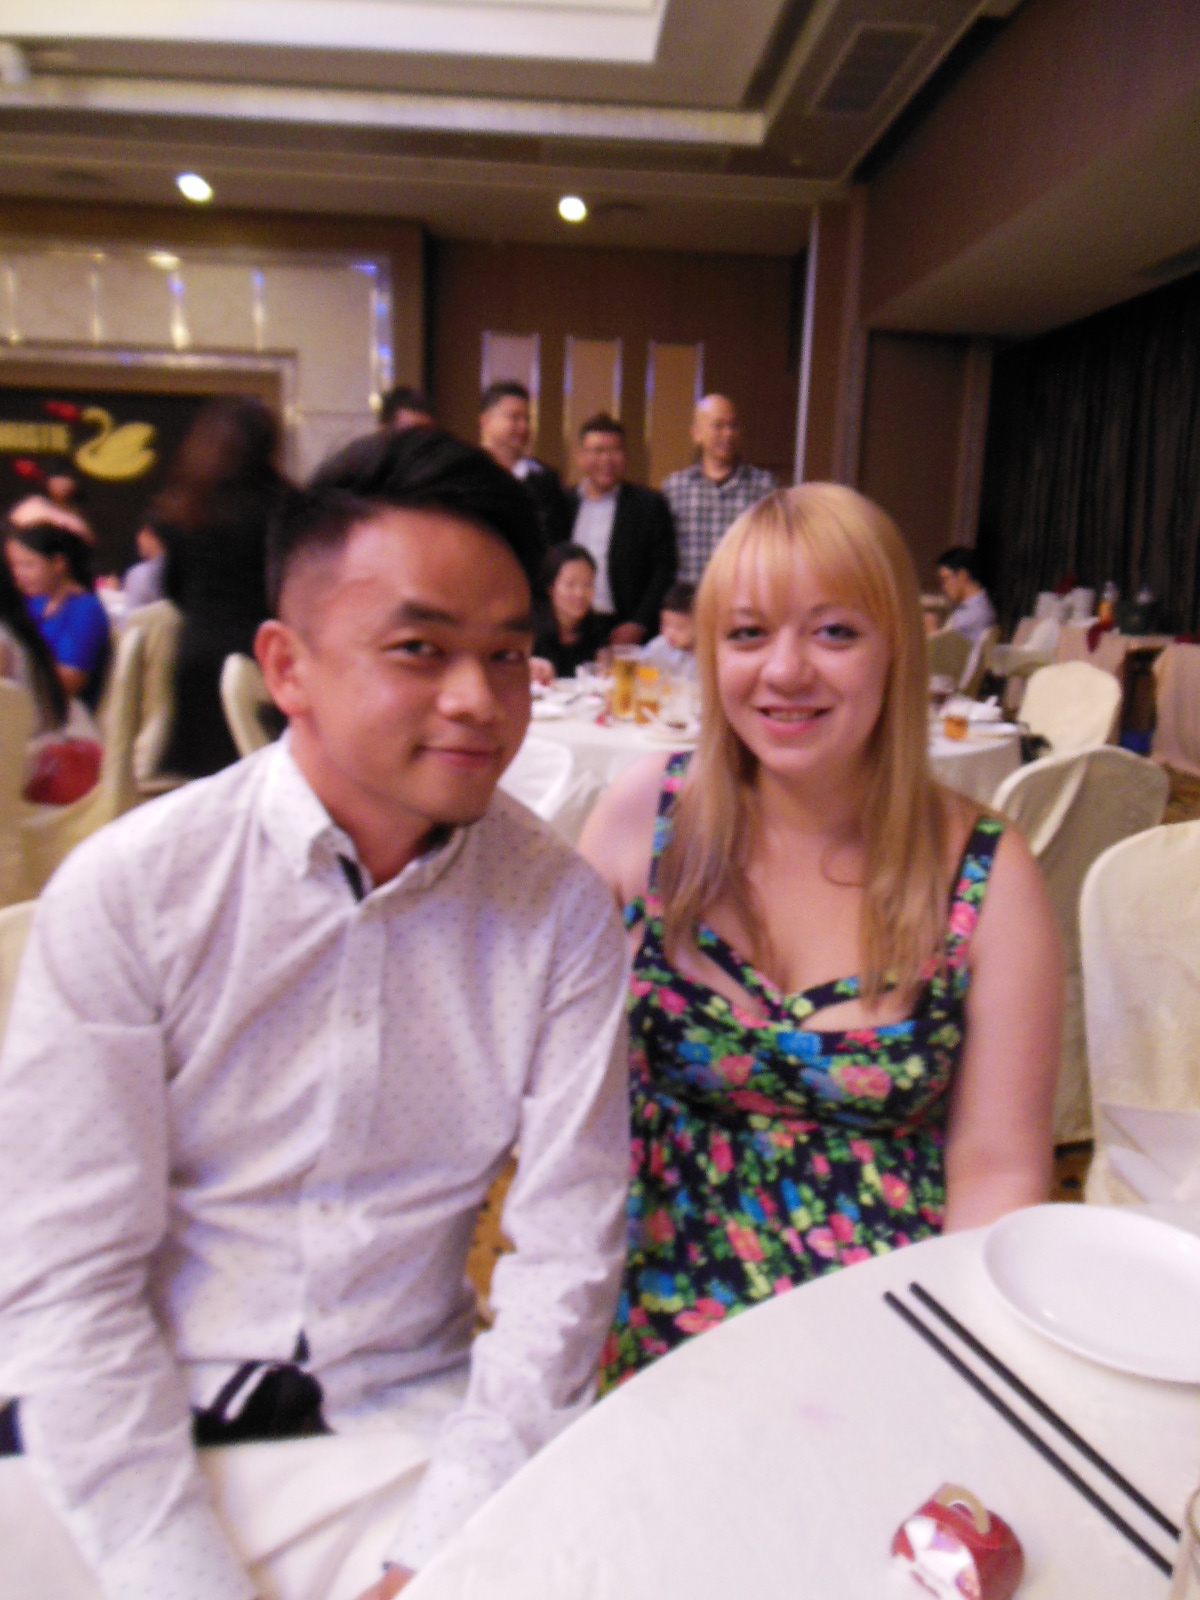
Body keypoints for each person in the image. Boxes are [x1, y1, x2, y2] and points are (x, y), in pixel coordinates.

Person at [0, 426, 630, 1600]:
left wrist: (431, 1550)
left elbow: (565, 1254)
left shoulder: (558, 913)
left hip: (406, 1423)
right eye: (419, 648)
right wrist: (178, 1574)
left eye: (507, 654)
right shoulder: (137, 893)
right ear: (288, 667)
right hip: (127, 1423)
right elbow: (69, 1283)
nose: (477, 700)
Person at [580, 483, 1061, 1387]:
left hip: (887, 1325)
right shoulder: (645, 817)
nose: (785, 671)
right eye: (748, 633)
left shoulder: (987, 873)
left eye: (835, 632)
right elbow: (551, 1092)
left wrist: (950, 1367)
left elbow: (998, 1171)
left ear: (898, 650)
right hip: (643, 1300)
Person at [156, 395, 289, 777]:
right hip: (265, 658)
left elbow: (173, 589)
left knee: (206, 785)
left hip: (197, 662)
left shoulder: (187, 509)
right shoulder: (286, 508)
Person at [566, 413, 677, 645]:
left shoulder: (649, 505)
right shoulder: (563, 503)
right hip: (571, 626)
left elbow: (664, 569)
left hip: (626, 627)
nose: (606, 459)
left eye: (615, 450)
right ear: (580, 456)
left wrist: (639, 622)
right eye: (598, 451)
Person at [662, 393, 778, 583]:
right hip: (689, 597)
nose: (728, 434)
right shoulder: (675, 489)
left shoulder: (763, 487)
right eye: (718, 426)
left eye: (733, 425)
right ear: (696, 434)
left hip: (742, 595)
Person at [5, 520, 110, 710]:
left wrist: (11, 667)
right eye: (15, 566)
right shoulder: (35, 602)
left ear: (58, 563)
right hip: (26, 705)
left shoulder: (85, 610)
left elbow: (69, 683)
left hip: (62, 713)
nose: (19, 574)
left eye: (28, 565)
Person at [478, 380, 569, 552]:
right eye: (514, 418)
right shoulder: (468, 472)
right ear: (485, 421)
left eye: (527, 419)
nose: (523, 427)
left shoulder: (545, 479)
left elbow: (557, 541)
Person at [530, 542, 611, 683]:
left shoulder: (595, 629)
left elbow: (603, 676)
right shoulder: (530, 630)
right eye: (570, 584)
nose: (580, 594)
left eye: (588, 584)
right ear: (550, 587)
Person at [937, 546, 997, 645]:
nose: (944, 587)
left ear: (962, 576)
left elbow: (944, 649)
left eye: (945, 580)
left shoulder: (974, 613)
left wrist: (931, 631)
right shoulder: (969, 609)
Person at [640, 580, 697, 678]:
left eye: (679, 628)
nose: (670, 633)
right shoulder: (660, 646)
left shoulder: (704, 656)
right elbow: (640, 664)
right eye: (665, 624)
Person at [121, 515, 167, 611]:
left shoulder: (139, 574)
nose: (138, 540)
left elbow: (133, 616)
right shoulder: (188, 567)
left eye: (141, 534)